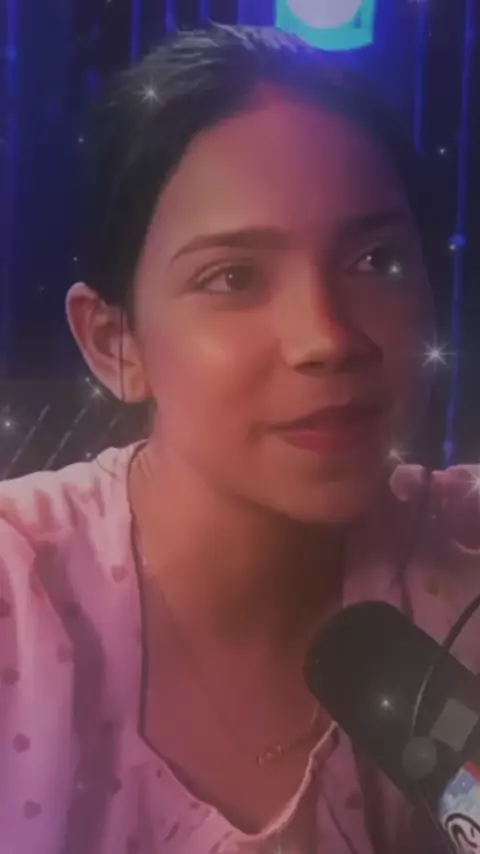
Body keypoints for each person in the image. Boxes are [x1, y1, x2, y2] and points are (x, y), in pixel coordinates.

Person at [0, 24, 479, 854]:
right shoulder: (19, 605)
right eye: (232, 276)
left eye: (375, 261)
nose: (326, 338)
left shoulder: (462, 564)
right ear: (114, 342)